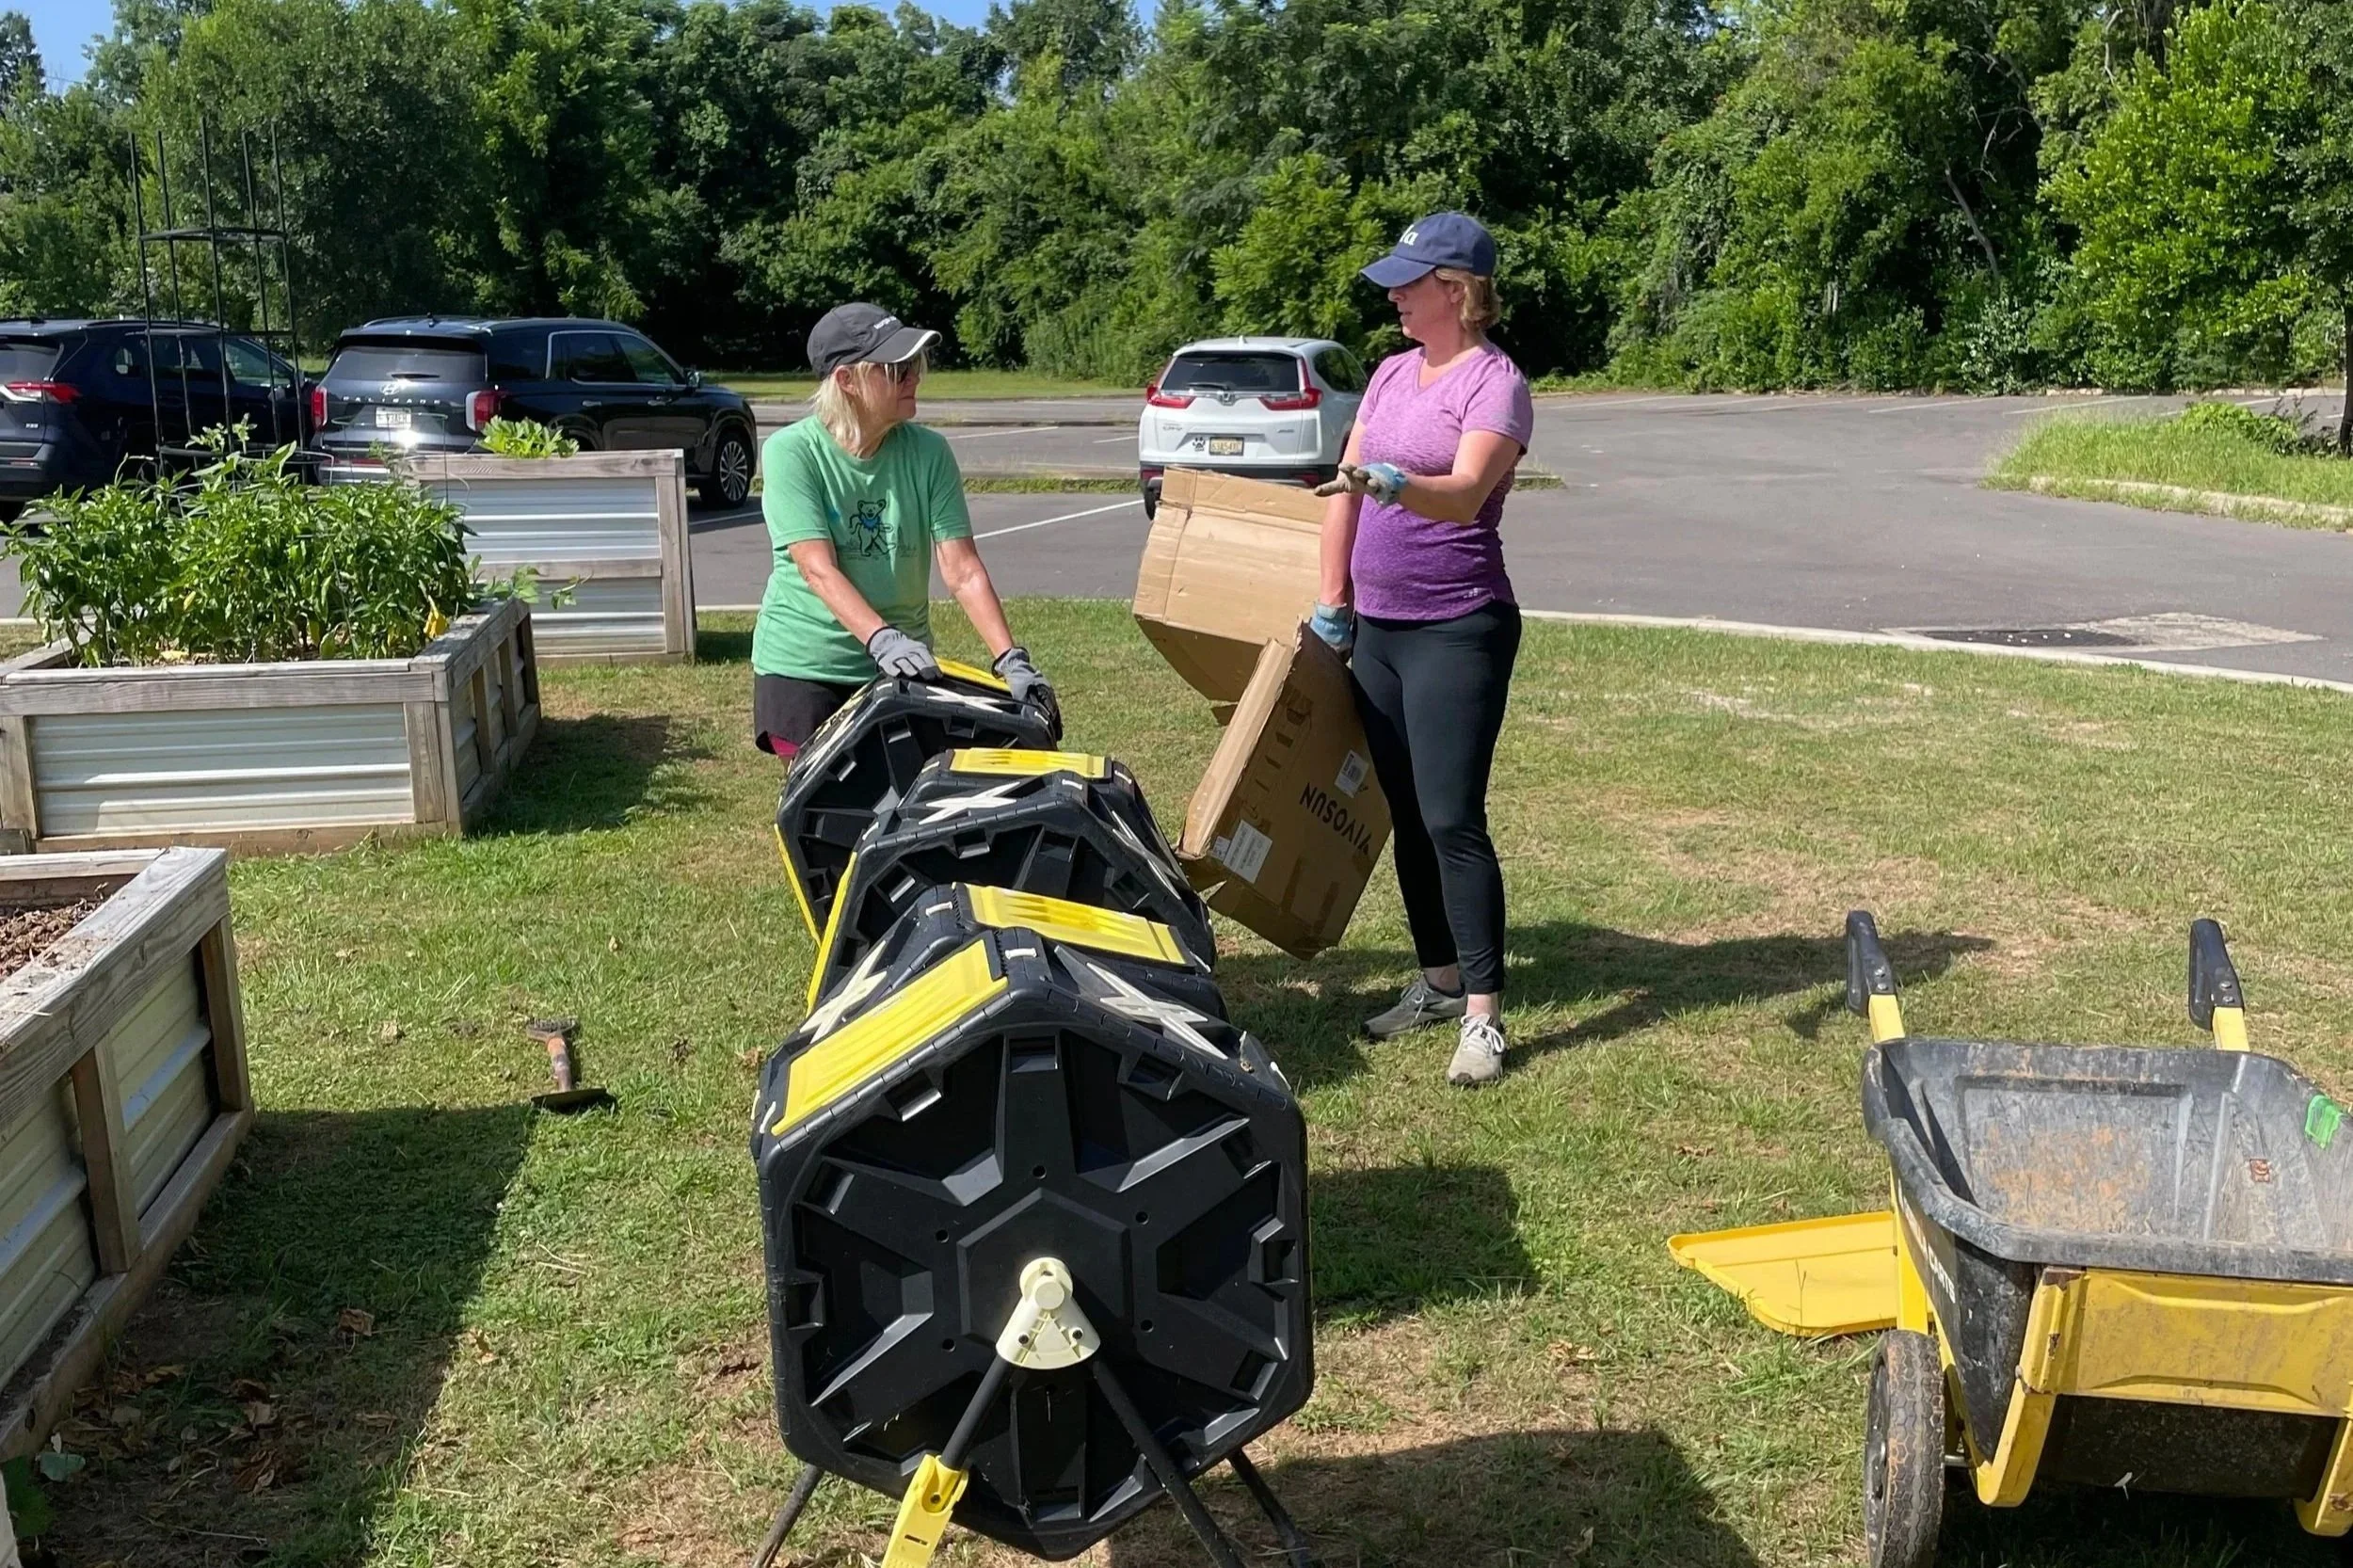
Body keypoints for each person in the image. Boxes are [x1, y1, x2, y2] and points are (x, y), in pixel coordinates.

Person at [1310, 214, 1533, 1088]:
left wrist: (1403, 487)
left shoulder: (1495, 384)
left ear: (1456, 289)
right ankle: (1439, 983)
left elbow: (1468, 492)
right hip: (1378, 629)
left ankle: (1484, 1017)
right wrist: (1335, 598)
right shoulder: (1392, 373)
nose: (1394, 297)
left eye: (1408, 283)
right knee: (1402, 814)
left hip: (1458, 625)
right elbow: (1344, 486)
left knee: (1450, 818)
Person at [752, 303, 1057, 760]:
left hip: (902, 670)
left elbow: (963, 570)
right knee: (835, 814)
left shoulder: (929, 453)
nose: (913, 377)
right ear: (846, 381)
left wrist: (1010, 659)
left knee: (911, 812)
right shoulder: (792, 452)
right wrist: (882, 638)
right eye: (896, 368)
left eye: (915, 364)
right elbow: (816, 569)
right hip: (806, 669)